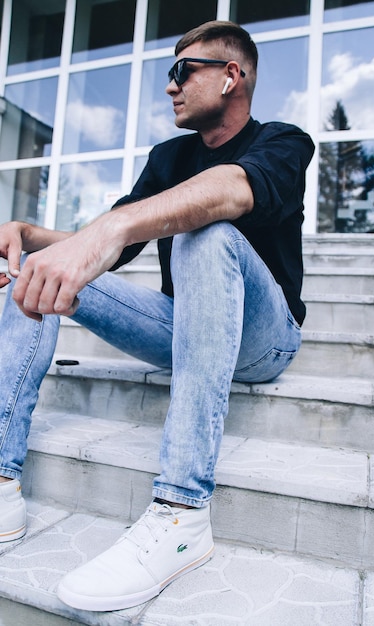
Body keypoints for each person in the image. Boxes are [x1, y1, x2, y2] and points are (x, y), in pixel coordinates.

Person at [0, 20, 314, 611]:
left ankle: (181, 513)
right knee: (37, 265)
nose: (169, 87)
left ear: (230, 76)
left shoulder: (285, 141)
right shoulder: (169, 157)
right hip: (182, 327)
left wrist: (119, 225)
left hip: (265, 340)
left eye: (181, 72)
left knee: (205, 229)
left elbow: (230, 191)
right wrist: (30, 234)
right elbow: (104, 241)